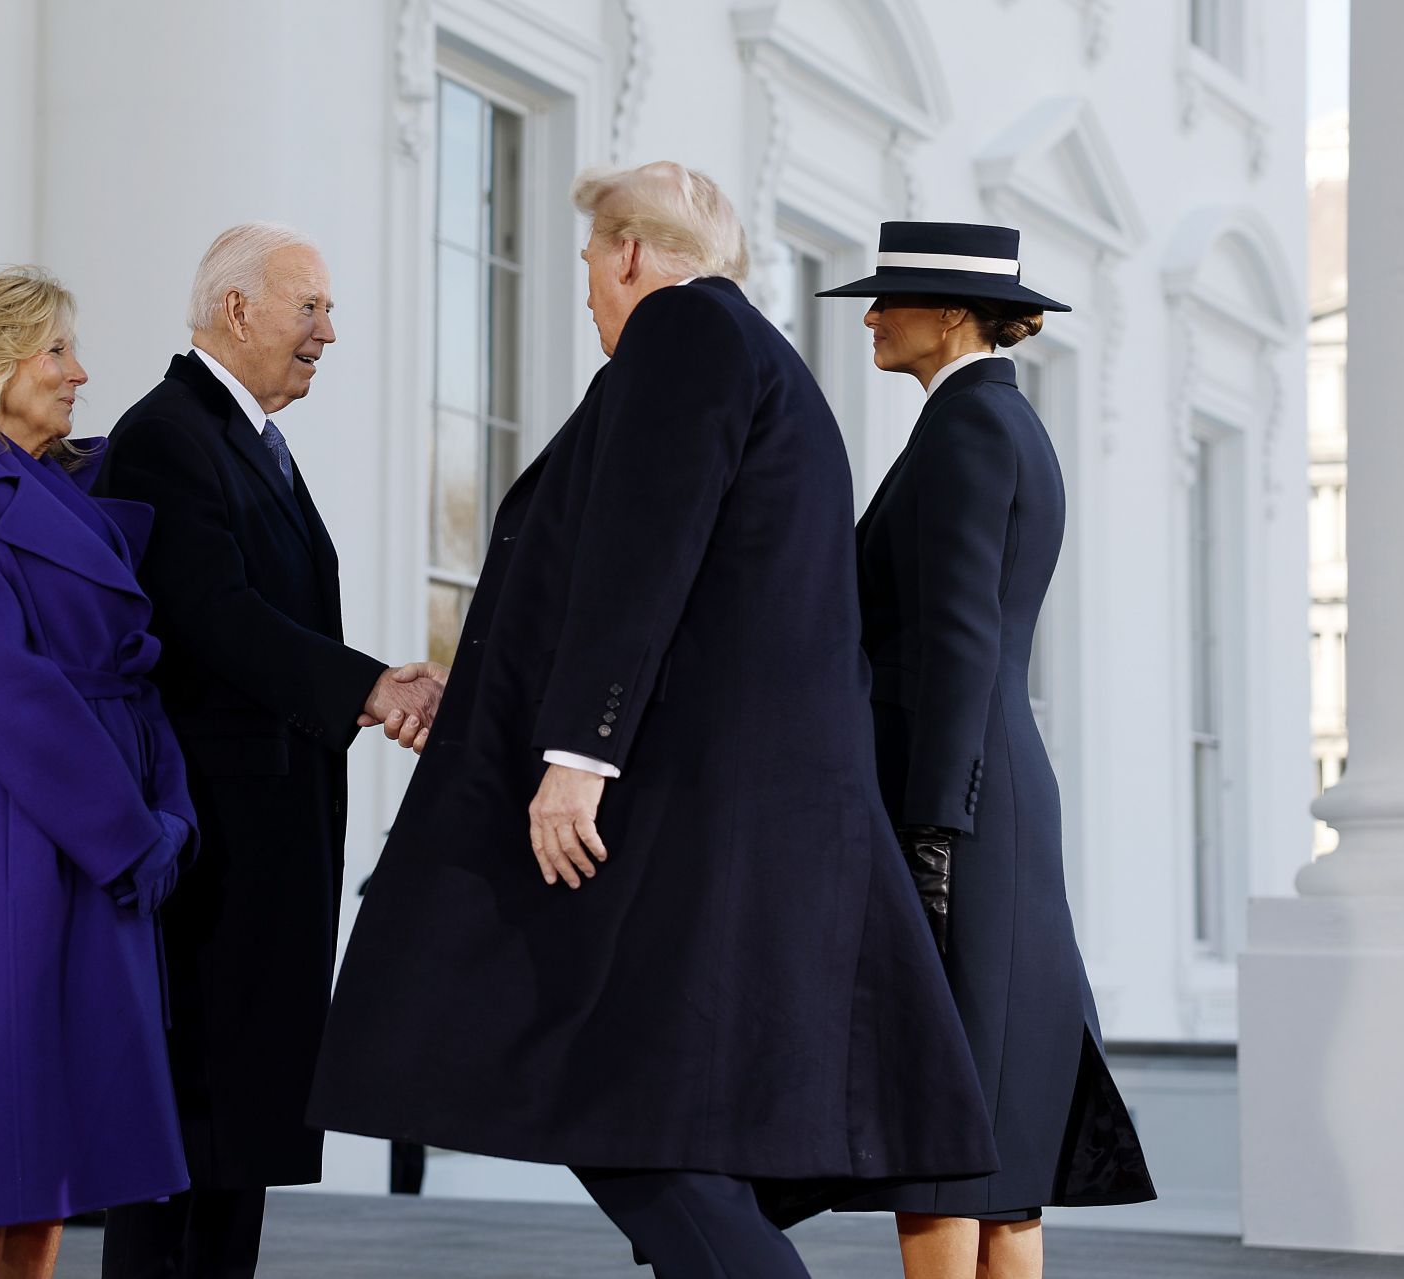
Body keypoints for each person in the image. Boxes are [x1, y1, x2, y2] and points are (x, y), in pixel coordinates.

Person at [307, 163, 998, 1279]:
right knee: (655, 1120)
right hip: (727, 814)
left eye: (588, 262)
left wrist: (577, 754)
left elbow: (641, 557)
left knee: (630, 1112)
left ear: (629, 254)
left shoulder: (685, 335)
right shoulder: (753, 355)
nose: (586, 288)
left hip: (679, 811)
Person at [92, 222, 444, 1279]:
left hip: (269, 836)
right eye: (311, 308)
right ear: (236, 308)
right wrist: (370, 685)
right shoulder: (166, 430)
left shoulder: (246, 437)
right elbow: (209, 609)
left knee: (235, 1130)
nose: (329, 333)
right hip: (215, 842)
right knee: (188, 1127)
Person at [816, 221, 1156, 1277]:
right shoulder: (997, 422)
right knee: (993, 1133)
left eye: (890, 298)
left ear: (952, 313)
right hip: (987, 798)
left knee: (944, 1121)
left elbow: (961, 640)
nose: (871, 316)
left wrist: (930, 831)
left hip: (958, 807)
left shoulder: (967, 429)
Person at [0, 267, 199, 1279]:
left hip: (97, 804)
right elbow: (2, 685)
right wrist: (129, 833)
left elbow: (138, 665)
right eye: (54, 350)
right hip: (13, 818)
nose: (78, 372)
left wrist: (166, 808)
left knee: (56, 1140)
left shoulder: (61, 484)